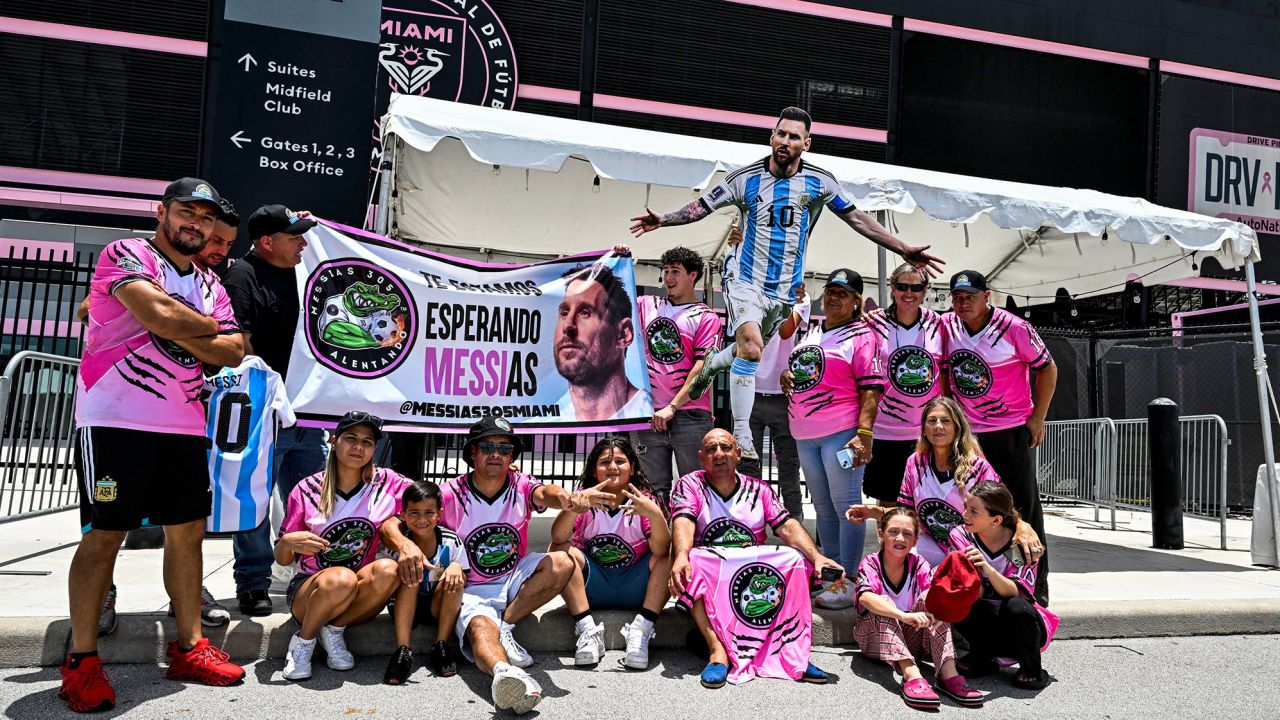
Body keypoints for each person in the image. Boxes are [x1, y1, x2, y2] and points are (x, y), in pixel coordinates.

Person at [630, 106, 942, 461]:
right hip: (746, 282)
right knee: (750, 347)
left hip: (784, 292)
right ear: (772, 137)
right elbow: (702, 206)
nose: (785, 141)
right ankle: (743, 436)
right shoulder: (744, 179)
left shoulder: (820, 183)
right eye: (781, 133)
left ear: (806, 144)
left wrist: (903, 248)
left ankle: (720, 361)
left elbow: (857, 218)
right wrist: (665, 219)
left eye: (794, 136)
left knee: (749, 351)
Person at [63, 177, 247, 712]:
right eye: (187, 211)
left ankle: (189, 646)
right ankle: (82, 660)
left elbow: (234, 352)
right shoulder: (127, 252)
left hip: (184, 424)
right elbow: (162, 316)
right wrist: (196, 326)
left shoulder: (209, 281)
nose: (197, 223)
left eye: (207, 217)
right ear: (162, 211)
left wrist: (178, 323)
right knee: (106, 535)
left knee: (188, 534)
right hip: (116, 418)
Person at [380, 416, 611, 714]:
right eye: (487, 446)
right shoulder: (449, 493)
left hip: (512, 578)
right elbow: (391, 523)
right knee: (478, 627)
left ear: (512, 457)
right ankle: (508, 676)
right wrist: (405, 544)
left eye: (504, 449)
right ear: (472, 453)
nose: (496, 454)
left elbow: (546, 494)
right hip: (470, 587)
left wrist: (566, 498)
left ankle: (505, 627)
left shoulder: (521, 484)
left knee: (563, 561)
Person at [669, 429, 842, 687]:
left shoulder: (759, 489)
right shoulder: (690, 484)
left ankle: (794, 655)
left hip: (753, 569)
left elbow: (786, 525)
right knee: (694, 559)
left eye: (726, 448)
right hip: (714, 569)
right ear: (701, 457)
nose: (719, 454)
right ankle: (717, 652)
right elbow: (683, 521)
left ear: (738, 454)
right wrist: (681, 555)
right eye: (711, 449)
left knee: (794, 559)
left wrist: (817, 557)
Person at [221, 204, 324, 617]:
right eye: (294, 235)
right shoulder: (242, 275)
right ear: (267, 242)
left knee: (314, 498)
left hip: (306, 413)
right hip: (263, 412)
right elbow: (238, 344)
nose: (303, 241)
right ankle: (252, 582)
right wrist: (270, 392)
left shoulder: (303, 272)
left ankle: (310, 572)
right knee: (255, 502)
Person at [944, 270, 1058, 604]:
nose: (963, 303)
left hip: (1008, 430)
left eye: (970, 296)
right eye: (957, 297)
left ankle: (1035, 588)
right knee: (973, 506)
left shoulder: (1014, 327)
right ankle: (986, 579)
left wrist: (1038, 416)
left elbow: (1048, 367)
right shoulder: (949, 327)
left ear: (986, 296)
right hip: (971, 434)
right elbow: (945, 372)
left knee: (1022, 508)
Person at [275, 412, 408, 681]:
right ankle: (303, 641)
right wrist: (288, 542)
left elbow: (435, 497)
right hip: (309, 589)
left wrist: (502, 474)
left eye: (367, 442)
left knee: (387, 569)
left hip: (356, 592)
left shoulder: (387, 482)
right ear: (334, 441)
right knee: (341, 577)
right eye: (351, 439)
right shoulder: (307, 488)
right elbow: (283, 558)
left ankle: (333, 630)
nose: (358, 447)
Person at [781, 269, 884, 609]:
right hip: (805, 434)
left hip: (840, 433)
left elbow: (871, 389)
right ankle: (831, 575)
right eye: (830, 290)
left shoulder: (862, 335)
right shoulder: (812, 331)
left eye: (843, 292)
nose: (834, 297)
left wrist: (864, 434)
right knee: (823, 511)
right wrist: (786, 374)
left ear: (857, 301)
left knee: (847, 509)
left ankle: (850, 581)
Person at [847, 397, 1042, 568]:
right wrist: (873, 512)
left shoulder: (977, 466)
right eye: (932, 421)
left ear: (957, 427)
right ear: (923, 428)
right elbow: (908, 513)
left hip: (974, 546)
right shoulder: (915, 462)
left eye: (945, 421)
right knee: (896, 551)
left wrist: (1023, 526)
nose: (938, 426)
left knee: (1014, 564)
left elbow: (1002, 510)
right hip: (932, 544)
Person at [550, 437, 672, 669]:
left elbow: (661, 551)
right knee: (559, 552)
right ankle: (587, 629)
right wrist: (575, 507)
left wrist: (654, 515)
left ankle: (642, 629)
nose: (613, 467)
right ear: (594, 470)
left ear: (632, 467)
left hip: (636, 588)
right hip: (595, 587)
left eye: (620, 461)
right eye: (605, 462)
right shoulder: (584, 499)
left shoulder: (644, 501)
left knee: (670, 556)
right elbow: (557, 539)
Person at [853, 508, 984, 710]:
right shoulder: (870, 563)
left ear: (915, 541)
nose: (900, 538)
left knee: (931, 598)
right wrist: (901, 615)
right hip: (874, 638)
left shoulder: (918, 563)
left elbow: (931, 597)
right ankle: (911, 674)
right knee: (882, 603)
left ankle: (948, 674)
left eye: (907, 534)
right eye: (893, 531)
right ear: (881, 533)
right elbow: (865, 598)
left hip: (912, 639)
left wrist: (938, 612)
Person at [627, 245, 722, 500]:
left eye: (675, 271)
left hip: (690, 415)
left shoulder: (706, 316)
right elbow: (611, 294)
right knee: (651, 492)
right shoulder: (646, 304)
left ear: (693, 275)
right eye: (665, 271)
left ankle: (693, 540)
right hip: (647, 414)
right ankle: (658, 540)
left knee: (697, 488)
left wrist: (672, 406)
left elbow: (704, 366)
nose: (668, 278)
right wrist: (619, 257)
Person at [951, 482, 1059, 690]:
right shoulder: (961, 535)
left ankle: (1032, 668)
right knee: (964, 601)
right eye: (965, 507)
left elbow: (1015, 592)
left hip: (1021, 626)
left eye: (973, 511)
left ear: (996, 520)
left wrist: (987, 568)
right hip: (989, 620)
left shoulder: (1020, 544)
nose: (965, 514)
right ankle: (982, 657)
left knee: (1015, 606)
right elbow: (973, 588)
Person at [862, 263, 946, 507]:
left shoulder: (938, 323)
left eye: (916, 287)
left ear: (925, 290)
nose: (909, 293)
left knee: (925, 501)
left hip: (927, 433)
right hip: (885, 430)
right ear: (892, 288)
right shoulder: (873, 323)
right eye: (902, 286)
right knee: (888, 504)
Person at [381, 480, 467, 685]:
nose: (422, 519)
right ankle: (403, 650)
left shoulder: (450, 540)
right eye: (414, 513)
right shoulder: (398, 544)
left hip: (436, 606)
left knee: (456, 580)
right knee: (410, 574)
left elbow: (465, 574)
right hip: (403, 605)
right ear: (402, 515)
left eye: (429, 512)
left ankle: (441, 644)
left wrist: (455, 567)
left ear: (439, 514)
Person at [744, 282, 808, 519]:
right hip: (749, 392)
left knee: (789, 465)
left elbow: (785, 331)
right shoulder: (748, 295)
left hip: (783, 396)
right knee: (748, 464)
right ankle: (750, 519)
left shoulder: (800, 298)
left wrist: (792, 298)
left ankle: (794, 519)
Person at [554, 263, 648, 422]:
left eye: (585, 312)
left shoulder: (648, 416)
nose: (568, 326)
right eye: (564, 312)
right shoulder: (544, 424)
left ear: (623, 334)